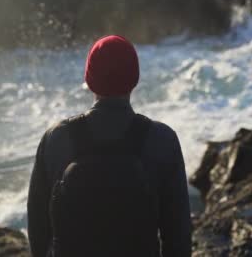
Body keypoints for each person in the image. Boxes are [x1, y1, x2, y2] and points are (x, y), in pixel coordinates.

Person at [27, 35, 192, 257]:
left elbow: (38, 230)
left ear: (90, 78)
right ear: (134, 78)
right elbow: (178, 235)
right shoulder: (162, 139)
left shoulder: (57, 138)